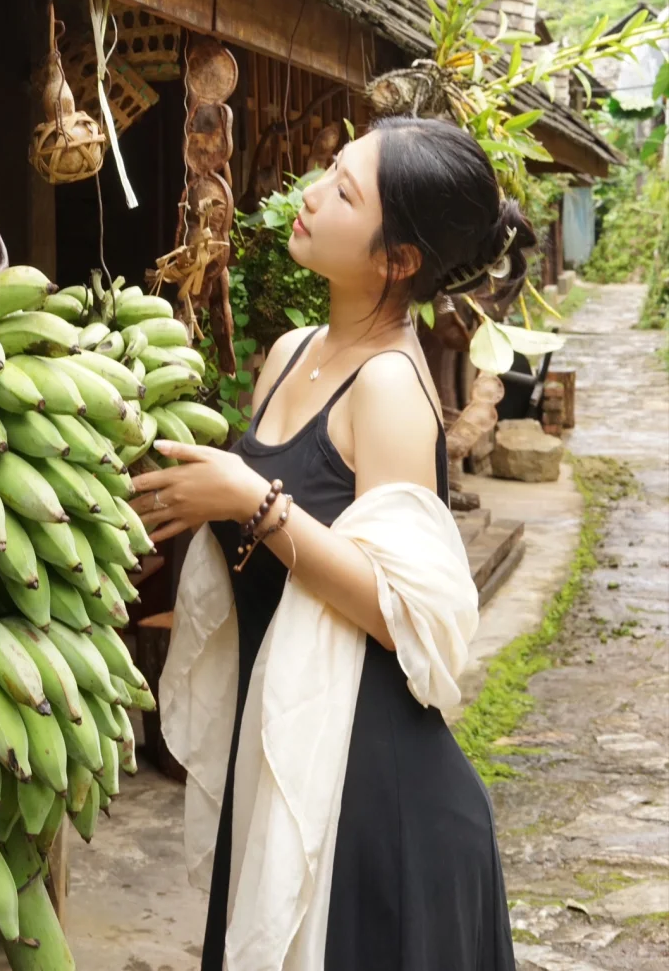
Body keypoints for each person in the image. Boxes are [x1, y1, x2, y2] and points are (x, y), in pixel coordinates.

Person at [131, 116, 535, 971]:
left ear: (399, 260)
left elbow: (403, 612)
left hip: (373, 804)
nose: (311, 194)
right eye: (329, 171)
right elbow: (263, 547)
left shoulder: (388, 384)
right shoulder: (290, 352)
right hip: (284, 758)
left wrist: (251, 498)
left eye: (345, 192)